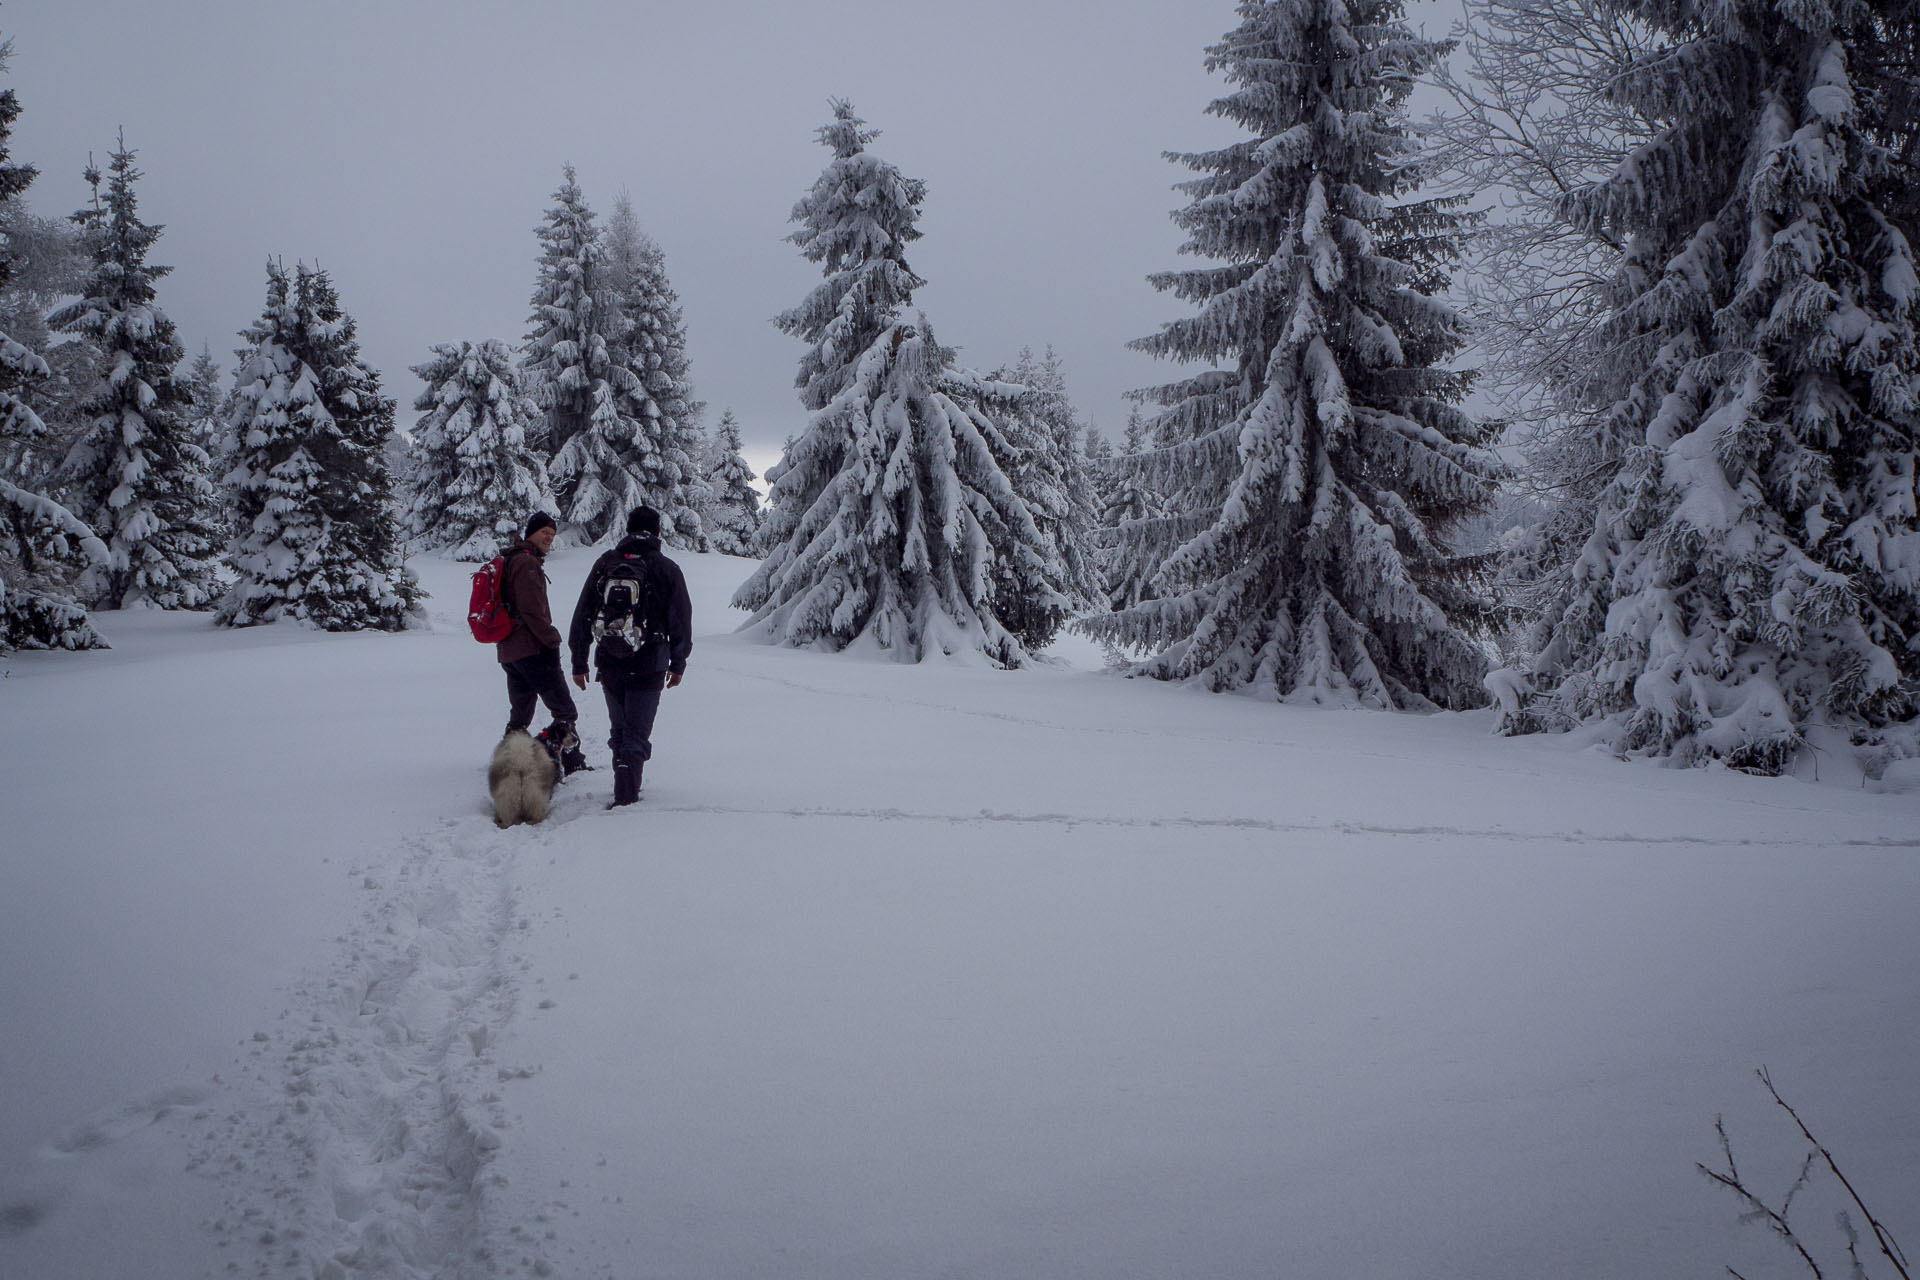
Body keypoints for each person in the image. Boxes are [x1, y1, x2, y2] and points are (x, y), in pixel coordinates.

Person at [569, 505, 692, 807]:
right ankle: (626, 800)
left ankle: (623, 786)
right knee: (636, 734)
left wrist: (579, 661)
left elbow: (583, 612)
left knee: (620, 730)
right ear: (657, 532)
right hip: (650, 662)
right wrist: (678, 663)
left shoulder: (606, 563)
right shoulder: (666, 568)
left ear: (628, 529)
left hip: (609, 660)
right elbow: (681, 620)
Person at [498, 511, 586, 774]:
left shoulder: (512, 559)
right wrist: (552, 640)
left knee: (521, 712)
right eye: (543, 532)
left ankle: (507, 762)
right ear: (530, 534)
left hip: (510, 650)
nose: (548, 537)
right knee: (564, 709)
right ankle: (572, 762)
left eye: (552, 533)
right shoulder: (527, 563)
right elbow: (531, 610)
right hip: (532, 648)